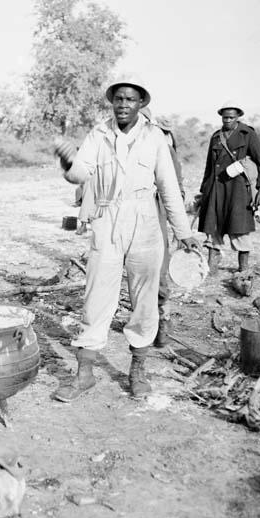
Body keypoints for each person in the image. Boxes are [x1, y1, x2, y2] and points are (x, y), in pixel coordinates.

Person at [53, 74, 199, 401]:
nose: (123, 105)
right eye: (118, 99)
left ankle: (138, 371)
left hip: (146, 220)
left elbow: (169, 189)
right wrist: (68, 161)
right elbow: (81, 173)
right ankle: (85, 374)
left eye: (130, 99)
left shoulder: (155, 138)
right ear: (112, 102)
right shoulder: (98, 134)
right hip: (106, 218)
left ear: (141, 104)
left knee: (144, 299)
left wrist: (184, 233)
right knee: (96, 295)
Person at [198, 101, 260, 274]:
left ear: (238, 117)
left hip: (239, 191)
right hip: (216, 189)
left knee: (240, 228)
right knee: (213, 228)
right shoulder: (216, 137)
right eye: (225, 117)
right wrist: (203, 191)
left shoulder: (248, 134)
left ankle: (243, 270)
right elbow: (209, 166)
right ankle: (212, 268)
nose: (227, 120)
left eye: (231, 117)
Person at [152, 116, 185, 347]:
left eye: (165, 132)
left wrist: (178, 228)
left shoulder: (166, 152)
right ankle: (148, 320)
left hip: (158, 215)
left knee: (159, 271)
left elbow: (176, 191)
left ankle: (163, 320)